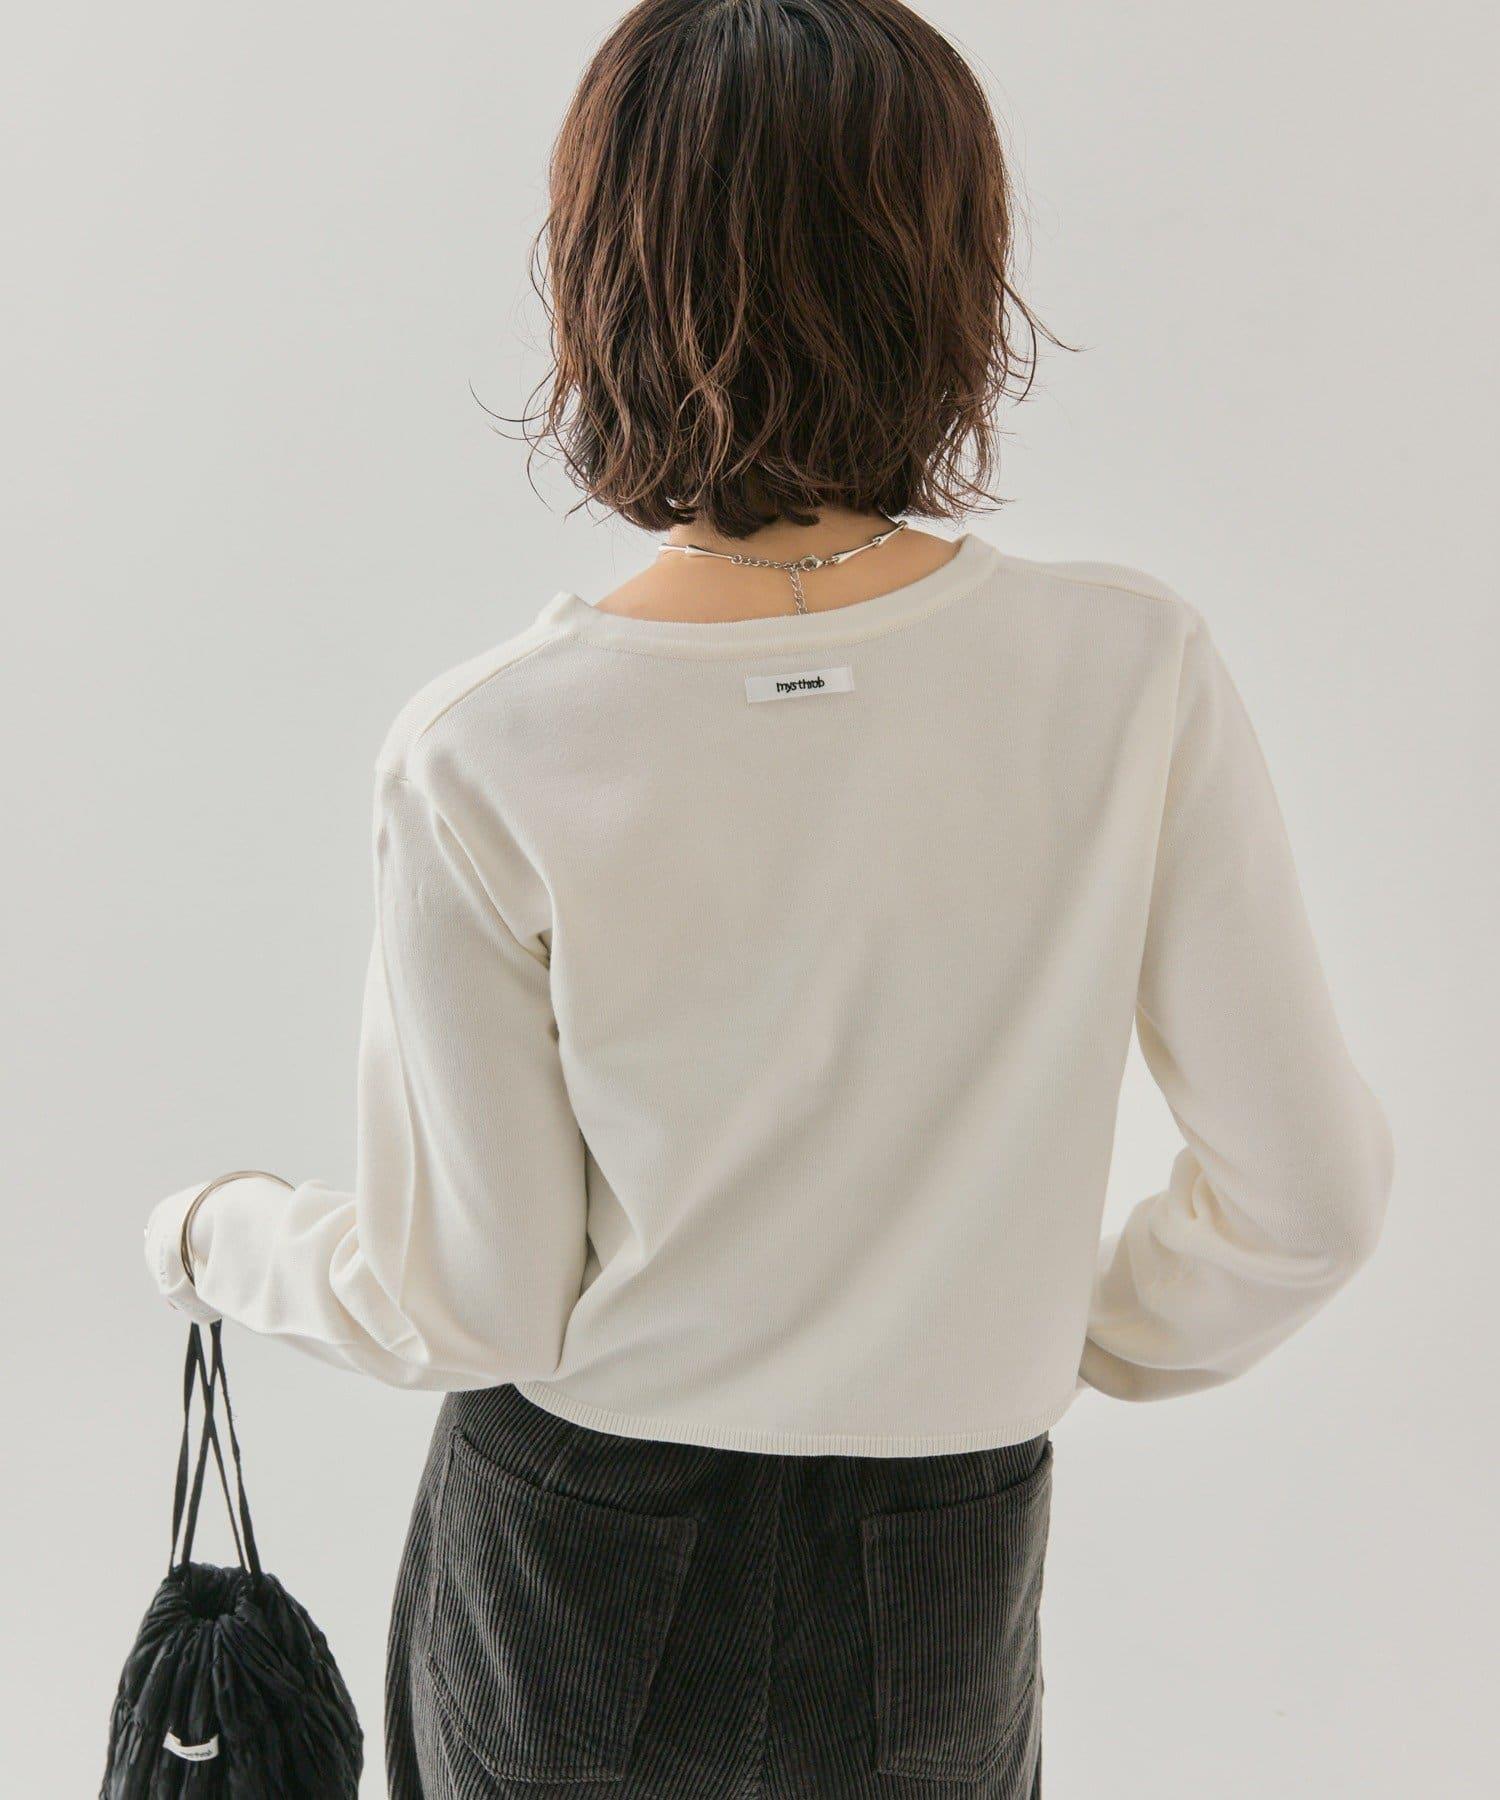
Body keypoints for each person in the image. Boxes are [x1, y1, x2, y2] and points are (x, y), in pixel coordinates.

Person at [141, 3, 1393, 1795]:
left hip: (576, 1560)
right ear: (953, 276)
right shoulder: (1132, 677)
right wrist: (1027, 1332)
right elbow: (1309, 1200)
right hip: (942, 1552)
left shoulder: (491, 746)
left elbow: (473, 1303)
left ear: (608, 285)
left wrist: (216, 1230)